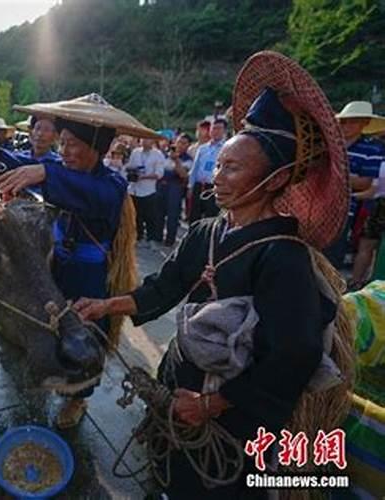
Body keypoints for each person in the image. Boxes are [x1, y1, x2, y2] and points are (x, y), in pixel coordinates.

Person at [74, 52, 353, 500]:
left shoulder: (284, 257)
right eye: (219, 165)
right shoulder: (205, 230)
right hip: (178, 383)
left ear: (277, 177)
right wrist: (108, 305)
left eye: (234, 168)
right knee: (165, 473)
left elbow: (295, 353)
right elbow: (166, 286)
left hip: (233, 414)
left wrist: (211, 404)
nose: (218, 178)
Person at [0, 93, 158, 428]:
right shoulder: (60, 169)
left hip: (90, 276)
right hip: (56, 267)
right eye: (61, 143)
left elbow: (76, 188)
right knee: (49, 326)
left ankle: (78, 397)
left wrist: (44, 174)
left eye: (72, 144)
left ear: (98, 149)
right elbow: (30, 165)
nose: (63, 152)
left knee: (85, 334)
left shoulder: (112, 185)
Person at [336, 102, 385, 285]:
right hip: (317, 205)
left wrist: (336, 176)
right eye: (344, 122)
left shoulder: (373, 149)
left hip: (345, 210)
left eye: (353, 122)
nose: (346, 126)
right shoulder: (328, 144)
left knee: (335, 256)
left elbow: (365, 183)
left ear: (364, 123)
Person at [126, 138, 165, 246]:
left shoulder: (158, 154)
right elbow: (130, 166)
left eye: (147, 139)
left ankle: (151, 238)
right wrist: (132, 172)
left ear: (152, 141)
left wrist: (143, 177)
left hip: (149, 190)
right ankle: (138, 237)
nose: (144, 141)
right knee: (136, 215)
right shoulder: (136, 152)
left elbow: (159, 174)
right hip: (134, 189)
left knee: (150, 216)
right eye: (142, 139)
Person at [156, 133, 192, 246]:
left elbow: (183, 175)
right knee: (158, 213)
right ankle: (157, 236)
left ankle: (170, 240)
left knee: (173, 214)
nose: (180, 145)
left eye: (183, 143)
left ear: (188, 145)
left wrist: (176, 161)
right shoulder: (164, 155)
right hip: (161, 185)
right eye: (179, 142)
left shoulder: (188, 159)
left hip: (175, 187)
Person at [188, 118, 227, 222]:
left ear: (224, 131)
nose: (215, 131)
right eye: (213, 128)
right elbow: (195, 168)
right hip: (199, 185)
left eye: (219, 128)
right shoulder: (202, 148)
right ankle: (193, 237)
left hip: (214, 188)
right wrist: (190, 186)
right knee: (194, 215)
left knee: (211, 216)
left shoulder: (226, 148)